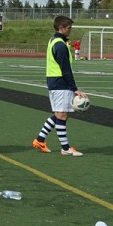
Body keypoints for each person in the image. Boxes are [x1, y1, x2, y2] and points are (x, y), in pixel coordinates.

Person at [32, 15, 87, 156]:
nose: (70, 30)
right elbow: (65, 69)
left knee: (60, 114)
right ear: (61, 27)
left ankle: (40, 140)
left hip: (54, 81)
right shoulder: (60, 45)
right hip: (60, 82)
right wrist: (75, 89)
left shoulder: (54, 40)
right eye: (69, 28)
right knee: (62, 115)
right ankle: (66, 148)